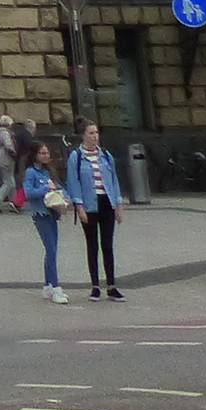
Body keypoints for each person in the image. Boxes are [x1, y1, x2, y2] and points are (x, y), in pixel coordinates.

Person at [66, 119, 127, 301]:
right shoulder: (76, 157)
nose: (94, 137)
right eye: (91, 133)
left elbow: (114, 180)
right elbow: (73, 182)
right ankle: (95, 286)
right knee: (92, 245)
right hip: (89, 204)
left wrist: (118, 204)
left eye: (96, 133)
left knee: (107, 245)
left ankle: (111, 285)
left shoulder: (106, 155)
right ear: (83, 135)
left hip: (106, 202)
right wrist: (79, 206)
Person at [23, 140, 69, 304]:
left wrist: (64, 195)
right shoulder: (31, 172)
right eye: (42, 153)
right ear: (35, 155)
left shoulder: (49, 171)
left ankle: (48, 285)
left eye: (47, 153)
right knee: (51, 251)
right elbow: (28, 193)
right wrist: (45, 189)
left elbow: (60, 187)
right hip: (41, 215)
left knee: (52, 250)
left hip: (52, 213)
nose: (46, 156)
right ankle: (56, 287)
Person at [0, 114, 21, 212]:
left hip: (0, 159)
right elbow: (8, 145)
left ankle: (14, 203)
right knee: (9, 183)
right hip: (6, 160)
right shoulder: (5, 133)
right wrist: (14, 153)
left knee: (11, 182)